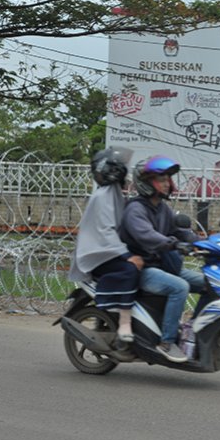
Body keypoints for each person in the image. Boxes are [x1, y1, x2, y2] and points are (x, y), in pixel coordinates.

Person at [120, 155, 204, 363]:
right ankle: (166, 342)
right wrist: (174, 243)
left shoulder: (162, 208)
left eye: (168, 179)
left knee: (208, 283)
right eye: (162, 179)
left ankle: (193, 333)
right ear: (146, 182)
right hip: (144, 269)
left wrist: (204, 242)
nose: (167, 184)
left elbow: (181, 230)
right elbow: (147, 236)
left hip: (164, 266)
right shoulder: (135, 209)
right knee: (180, 287)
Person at [68, 147, 143, 343]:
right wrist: (128, 256)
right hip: (98, 255)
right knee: (129, 270)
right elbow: (106, 231)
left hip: (108, 251)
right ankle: (125, 322)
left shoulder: (115, 193)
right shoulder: (103, 196)